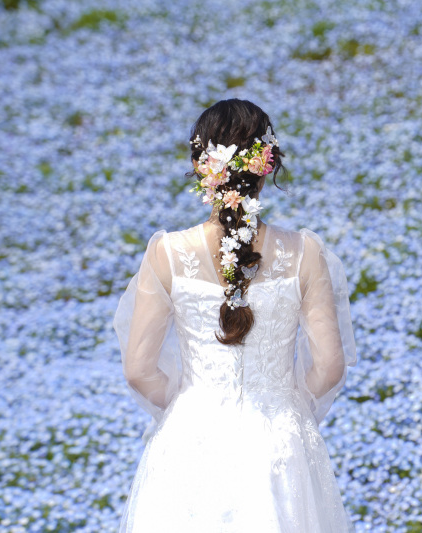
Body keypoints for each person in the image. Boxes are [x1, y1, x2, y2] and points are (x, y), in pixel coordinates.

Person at [112, 99, 357, 532]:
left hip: (191, 442)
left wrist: (187, 406)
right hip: (281, 444)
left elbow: (137, 370)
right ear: (267, 167)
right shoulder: (306, 254)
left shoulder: (167, 253)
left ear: (200, 166)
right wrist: (290, 407)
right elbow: (330, 366)